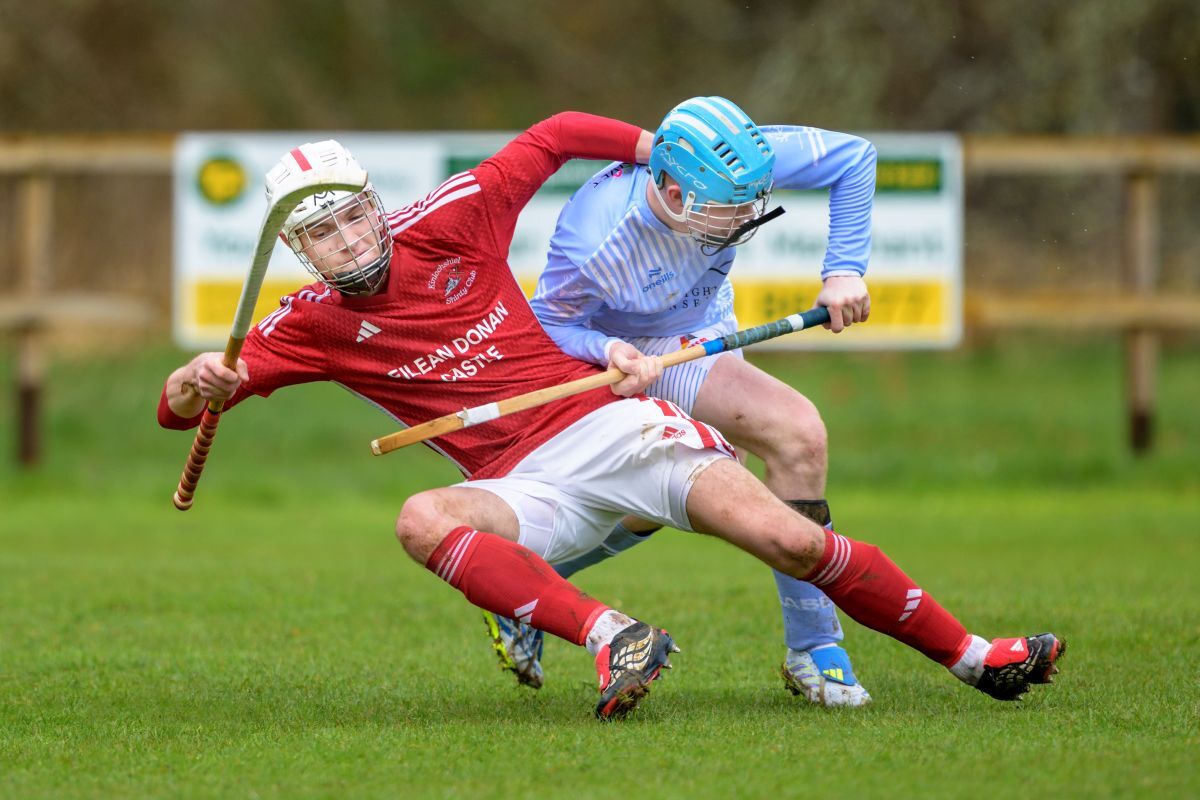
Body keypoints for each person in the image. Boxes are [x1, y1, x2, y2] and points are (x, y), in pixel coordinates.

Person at [158, 111, 1065, 721]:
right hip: (518, 485)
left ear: (376, 207)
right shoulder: (303, 327)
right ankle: (614, 637)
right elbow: (174, 412)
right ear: (296, 247)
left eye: (357, 219)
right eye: (325, 235)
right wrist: (195, 386)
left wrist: (649, 153)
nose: (350, 244)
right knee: (421, 516)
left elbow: (555, 135)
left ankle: (976, 657)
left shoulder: (455, 215)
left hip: (608, 424)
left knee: (792, 541)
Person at [486, 97, 876, 707]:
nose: (744, 219)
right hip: (628, 347)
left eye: (750, 202)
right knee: (793, 434)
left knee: (717, 476)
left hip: (701, 330)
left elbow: (855, 158)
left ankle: (532, 589)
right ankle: (815, 648)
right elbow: (549, 325)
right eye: (725, 209)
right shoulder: (598, 239)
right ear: (670, 188)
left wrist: (844, 269)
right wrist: (610, 349)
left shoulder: (741, 162)